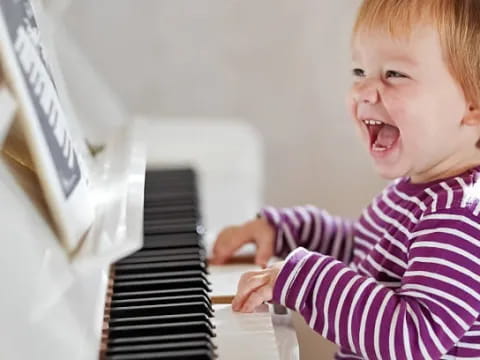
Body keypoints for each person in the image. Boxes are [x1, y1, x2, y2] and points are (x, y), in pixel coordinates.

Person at [210, 0, 480, 358]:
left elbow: (414, 338)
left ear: (473, 104)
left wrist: (308, 280)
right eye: (359, 71)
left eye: (394, 74)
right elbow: (371, 255)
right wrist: (295, 232)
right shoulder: (425, 191)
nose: (364, 92)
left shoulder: (459, 216)